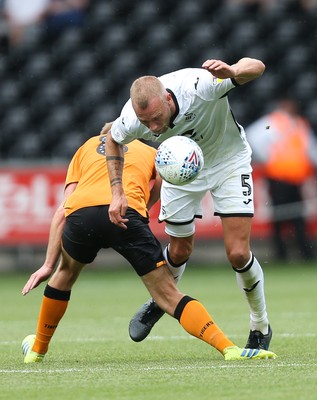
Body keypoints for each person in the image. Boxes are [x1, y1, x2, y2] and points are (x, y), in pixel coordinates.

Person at [21, 130, 277, 363]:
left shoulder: (86, 147)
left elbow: (62, 212)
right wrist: (143, 207)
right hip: (125, 214)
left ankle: (37, 350)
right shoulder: (152, 152)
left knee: (63, 275)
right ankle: (228, 348)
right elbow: (164, 184)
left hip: (82, 216)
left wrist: (47, 264)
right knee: (168, 294)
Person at [103, 57, 273, 350]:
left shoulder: (199, 86)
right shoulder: (132, 117)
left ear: (168, 98)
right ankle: (163, 298)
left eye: (157, 118)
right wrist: (117, 192)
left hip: (228, 163)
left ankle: (260, 324)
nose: (154, 129)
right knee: (180, 250)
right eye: (146, 123)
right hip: (180, 172)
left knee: (238, 254)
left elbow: (257, 66)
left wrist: (233, 72)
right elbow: (113, 140)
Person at [246, 97, 317, 261]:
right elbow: (252, 136)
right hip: (278, 178)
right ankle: (281, 254)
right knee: (280, 217)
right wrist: (267, 158)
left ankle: (304, 253)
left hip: (296, 179)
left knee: (297, 216)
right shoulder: (272, 122)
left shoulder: (299, 124)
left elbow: (310, 148)